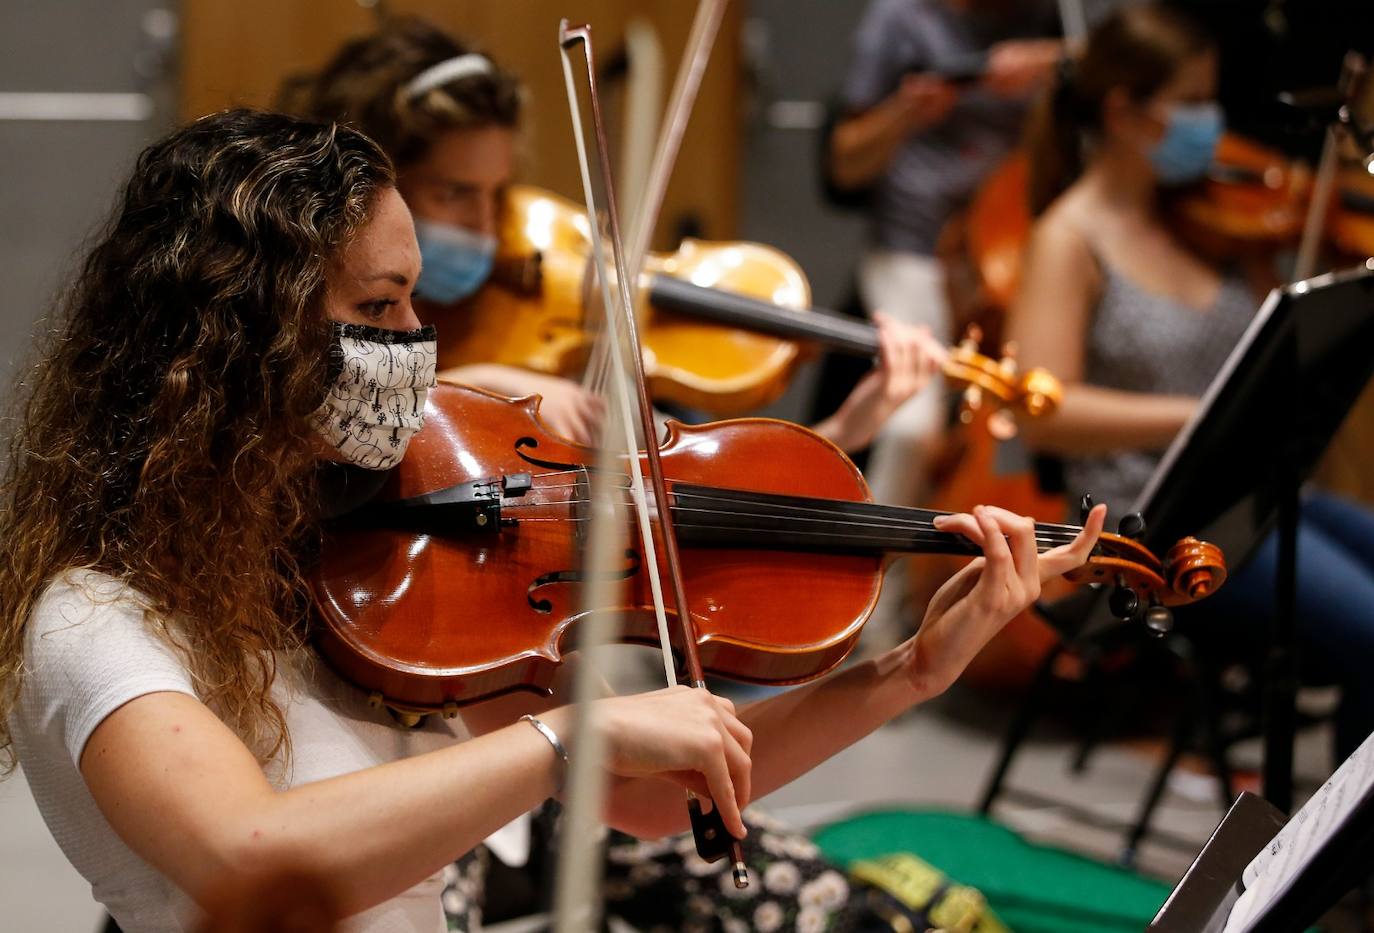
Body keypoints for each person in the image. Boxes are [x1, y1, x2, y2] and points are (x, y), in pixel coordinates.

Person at [0, 109, 1102, 932]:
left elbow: (655, 801)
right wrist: (565, 733)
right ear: (241, 335)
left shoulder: (354, 570)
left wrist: (908, 669)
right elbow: (250, 861)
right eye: (377, 307)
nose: (419, 341)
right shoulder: (97, 621)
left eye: (415, 299)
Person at [280, 17, 948, 457]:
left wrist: (836, 435)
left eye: (497, 194)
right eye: (452, 193)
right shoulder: (295, 315)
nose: (487, 228)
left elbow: (678, 495)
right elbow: (312, 430)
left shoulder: (542, 303)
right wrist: (470, 385)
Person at [1010, 2, 1374, 761]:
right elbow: (1044, 410)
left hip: (1256, 495)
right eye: (1192, 103)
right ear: (1126, 112)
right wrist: (1198, 413)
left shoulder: (1206, 220)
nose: (1212, 122)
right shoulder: (1067, 239)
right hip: (1156, 526)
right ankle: (1345, 865)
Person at [828, 0, 1062, 509]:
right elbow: (844, 163)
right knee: (912, 429)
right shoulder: (900, 21)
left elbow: (1116, 62)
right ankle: (878, 571)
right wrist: (906, 111)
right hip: (914, 250)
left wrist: (1052, 59)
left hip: (1013, 251)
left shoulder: (1048, 16)